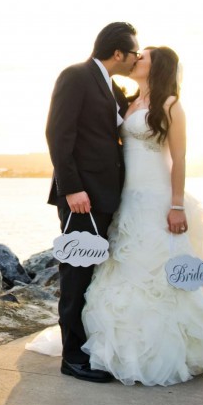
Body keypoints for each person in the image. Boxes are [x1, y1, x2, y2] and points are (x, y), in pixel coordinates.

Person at [29, 45, 203, 387]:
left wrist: (177, 205)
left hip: (158, 200)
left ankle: (169, 349)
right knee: (119, 272)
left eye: (145, 56)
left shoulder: (170, 105)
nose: (137, 58)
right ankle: (115, 348)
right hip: (125, 200)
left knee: (160, 275)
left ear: (159, 67)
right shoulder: (127, 101)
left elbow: (179, 159)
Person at [42, 22, 140, 383]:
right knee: (76, 274)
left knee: (95, 274)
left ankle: (90, 347)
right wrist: (71, 188)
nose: (137, 58)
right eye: (135, 53)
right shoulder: (76, 76)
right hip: (81, 197)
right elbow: (57, 132)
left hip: (107, 196)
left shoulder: (114, 87)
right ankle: (72, 358)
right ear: (118, 53)